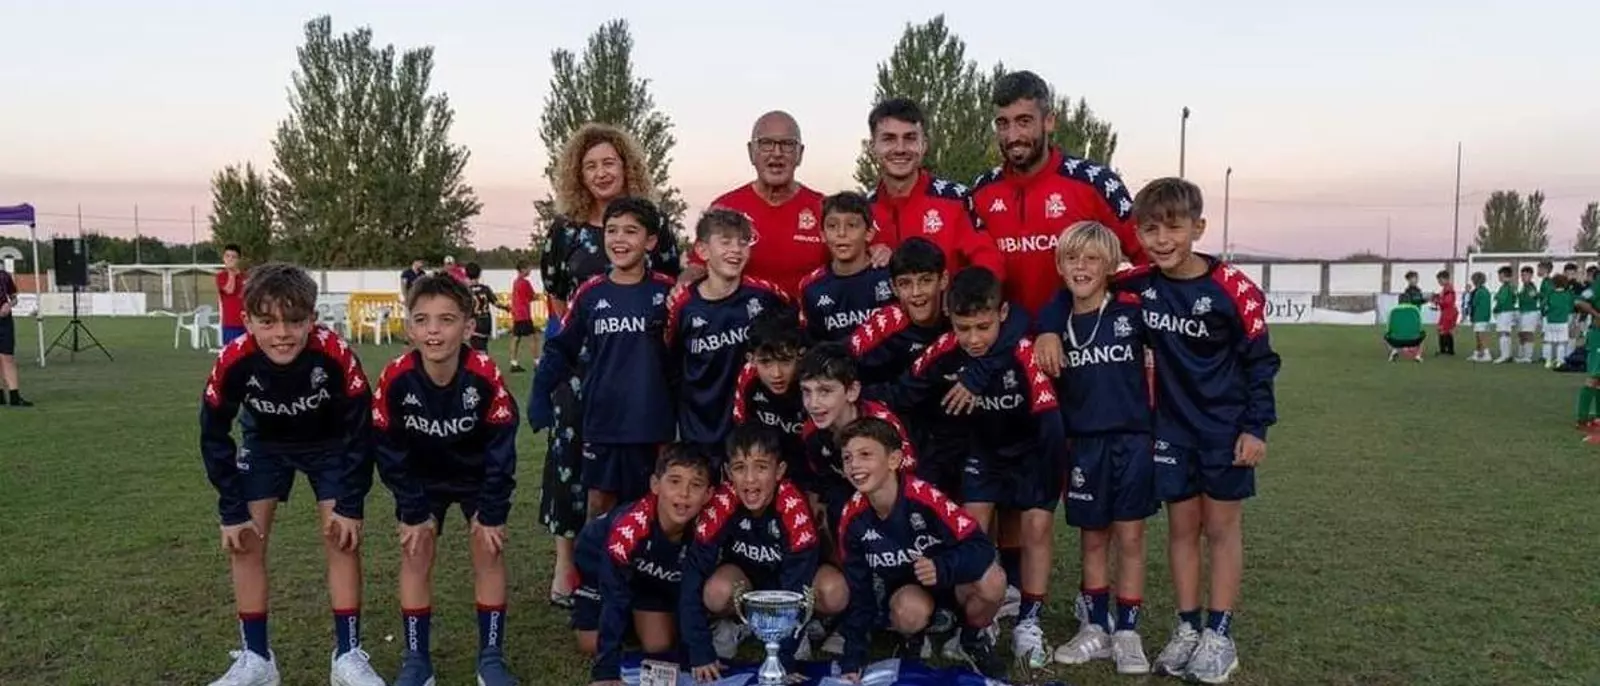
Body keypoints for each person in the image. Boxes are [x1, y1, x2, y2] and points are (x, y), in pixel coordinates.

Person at [1114, 178, 1281, 683]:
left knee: (1221, 530)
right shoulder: (1140, 285)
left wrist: (1256, 428)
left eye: (1174, 228)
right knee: (1182, 530)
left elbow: (1261, 363)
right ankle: (1188, 628)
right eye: (1150, 230)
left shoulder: (1236, 290)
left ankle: (1220, 636)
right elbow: (1088, 284)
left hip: (1225, 431)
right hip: (1171, 430)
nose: (1162, 240)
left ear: (1199, 227)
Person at [197, 263, 383, 686]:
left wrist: (351, 504)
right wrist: (231, 509)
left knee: (342, 538)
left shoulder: (335, 354)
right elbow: (213, 434)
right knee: (245, 541)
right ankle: (256, 658)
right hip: (265, 445)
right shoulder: (233, 360)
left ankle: (347, 655)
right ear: (247, 321)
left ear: (312, 319)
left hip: (329, 445)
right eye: (268, 322)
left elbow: (361, 430)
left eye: (294, 321)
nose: (282, 333)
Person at [537, 122, 682, 606]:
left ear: (627, 166)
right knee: (570, 463)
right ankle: (569, 564)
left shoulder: (655, 223)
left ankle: (637, 560)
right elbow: (558, 298)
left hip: (638, 368)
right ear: (578, 174)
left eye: (609, 163)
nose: (601, 173)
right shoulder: (565, 230)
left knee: (643, 467)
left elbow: (675, 287)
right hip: (581, 370)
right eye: (590, 166)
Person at [892, 266, 1065, 669]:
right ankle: (976, 618)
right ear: (950, 318)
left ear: (1002, 314)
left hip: (1031, 451)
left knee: (1036, 527)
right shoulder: (944, 349)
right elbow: (905, 390)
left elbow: (1050, 418)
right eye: (963, 328)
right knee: (971, 528)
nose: (973, 339)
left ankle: (1029, 621)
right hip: (982, 454)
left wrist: (1051, 476)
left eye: (983, 327)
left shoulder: (1022, 351)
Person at [373, 273, 521, 686]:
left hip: (476, 476)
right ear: (410, 327)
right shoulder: (396, 377)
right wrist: (412, 508)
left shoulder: (486, 375)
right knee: (416, 550)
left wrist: (492, 511)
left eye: (446, 320)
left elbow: (502, 449)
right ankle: (416, 660)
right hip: (422, 479)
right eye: (422, 320)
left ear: (469, 327)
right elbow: (387, 448)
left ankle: (491, 659)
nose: (433, 331)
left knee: (488, 549)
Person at [1032, 222, 1158, 674]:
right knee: (1092, 539)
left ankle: (1128, 632)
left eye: (1092, 259)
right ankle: (1097, 628)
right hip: (1083, 445)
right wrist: (1047, 327)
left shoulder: (1132, 311)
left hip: (1133, 440)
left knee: (1131, 537)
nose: (1081, 267)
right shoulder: (1055, 324)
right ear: (1059, 265)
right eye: (1072, 258)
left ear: (1110, 266)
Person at [530, 197, 677, 520]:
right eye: (612, 230)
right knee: (599, 504)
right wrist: (539, 395)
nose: (619, 239)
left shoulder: (668, 293)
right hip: (603, 422)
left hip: (652, 424)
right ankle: (597, 555)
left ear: (650, 241)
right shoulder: (590, 293)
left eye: (631, 231)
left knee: (653, 507)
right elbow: (560, 348)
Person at [834, 417, 1008, 681]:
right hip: (910, 591)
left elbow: (981, 548)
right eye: (847, 458)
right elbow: (860, 592)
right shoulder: (852, 518)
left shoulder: (925, 497)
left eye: (865, 454)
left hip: (955, 584)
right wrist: (852, 661)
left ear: (894, 460)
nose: (854, 465)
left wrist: (942, 567)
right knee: (908, 612)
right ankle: (913, 638)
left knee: (993, 580)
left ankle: (972, 638)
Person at [970, 70, 1145, 318]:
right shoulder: (982, 190)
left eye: (1024, 122)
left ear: (1049, 121)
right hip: (1007, 339)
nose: (1012, 136)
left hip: (1082, 337)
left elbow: (1146, 257)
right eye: (1003, 124)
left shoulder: (1095, 182)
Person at [679, 425, 847, 681]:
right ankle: (740, 625)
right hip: (748, 584)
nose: (750, 479)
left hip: (793, 583)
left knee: (834, 591)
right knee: (715, 592)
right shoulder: (722, 503)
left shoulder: (794, 507)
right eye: (739, 468)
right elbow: (693, 573)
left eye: (761, 467)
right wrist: (699, 651)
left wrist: (785, 658)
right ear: (728, 473)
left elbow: (797, 583)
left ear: (779, 471)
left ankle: (804, 627)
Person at [571, 446, 713, 686]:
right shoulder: (628, 531)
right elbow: (614, 596)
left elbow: (690, 590)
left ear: (708, 494)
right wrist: (607, 672)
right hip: (597, 560)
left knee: (658, 644)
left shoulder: (705, 528)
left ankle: (635, 617)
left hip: (647, 578)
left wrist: (699, 653)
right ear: (655, 485)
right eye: (674, 481)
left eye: (696, 485)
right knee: (589, 642)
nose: (684, 493)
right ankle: (615, 618)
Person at [666, 209, 792, 469]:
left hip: (755, 429)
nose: (736, 250)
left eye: (743, 242)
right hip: (700, 429)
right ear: (702, 250)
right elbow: (671, 361)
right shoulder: (683, 305)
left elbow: (795, 341)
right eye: (725, 242)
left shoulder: (766, 296)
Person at [864, 97, 1004, 278]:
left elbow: (990, 266)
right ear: (873, 147)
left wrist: (958, 295)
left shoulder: (956, 200)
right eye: (889, 139)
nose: (900, 149)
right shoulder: (861, 212)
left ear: (924, 145)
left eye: (910, 138)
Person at [796, 342, 918, 548]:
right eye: (807, 392)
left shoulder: (884, 425)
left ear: (852, 391)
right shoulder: (811, 432)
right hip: (848, 499)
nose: (813, 403)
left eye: (825, 391)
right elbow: (825, 478)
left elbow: (909, 479)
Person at [697, 111, 829, 296]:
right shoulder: (725, 207)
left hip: (808, 314)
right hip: (742, 314)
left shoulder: (825, 209)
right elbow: (697, 266)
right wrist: (683, 286)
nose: (777, 153)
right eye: (766, 143)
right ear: (751, 151)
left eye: (787, 144)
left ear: (800, 153)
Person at [798, 192, 895, 344]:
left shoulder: (889, 276)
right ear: (822, 234)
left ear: (869, 233)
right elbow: (813, 346)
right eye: (832, 226)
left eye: (852, 225)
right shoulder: (811, 288)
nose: (841, 233)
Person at [731, 306, 810, 472]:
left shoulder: (814, 379)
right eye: (766, 362)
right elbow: (744, 437)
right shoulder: (748, 377)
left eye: (786, 361)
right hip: (770, 469)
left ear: (801, 355)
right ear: (751, 359)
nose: (777, 374)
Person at [0, 264, 29, 407]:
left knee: (8, 357)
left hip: (4, 321)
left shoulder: (4, 275)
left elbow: (14, 298)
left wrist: (9, 305)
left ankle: (14, 396)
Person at [464, 262, 508, 352]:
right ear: (479, 274)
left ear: (466, 275)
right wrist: (506, 308)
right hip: (486, 322)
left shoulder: (466, 291)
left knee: (477, 350)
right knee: (482, 347)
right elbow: (497, 304)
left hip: (475, 323)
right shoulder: (485, 289)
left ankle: (482, 360)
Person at [507, 260, 537, 372]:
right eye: (528, 268)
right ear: (523, 269)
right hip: (524, 314)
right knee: (533, 338)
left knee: (516, 338)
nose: (530, 271)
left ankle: (513, 363)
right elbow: (532, 296)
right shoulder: (525, 283)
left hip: (517, 314)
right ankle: (537, 362)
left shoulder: (515, 282)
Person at [217, 244, 247, 345]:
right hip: (230, 325)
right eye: (227, 256)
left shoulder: (246, 277)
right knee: (232, 353)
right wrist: (231, 272)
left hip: (247, 324)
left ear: (238, 260)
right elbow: (230, 290)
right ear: (223, 258)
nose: (230, 259)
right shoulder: (221, 276)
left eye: (233, 257)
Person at [1544, 273, 1576, 369]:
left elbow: (1544, 306)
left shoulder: (1550, 294)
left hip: (1551, 320)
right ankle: (1560, 361)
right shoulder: (1568, 294)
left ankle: (1548, 361)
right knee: (1561, 342)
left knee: (1549, 341)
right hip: (1563, 320)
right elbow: (1571, 307)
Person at [1491, 266, 1517, 363]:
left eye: (1500, 275)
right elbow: (1513, 299)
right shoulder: (1510, 286)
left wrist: (1496, 309)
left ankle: (1504, 355)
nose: (1499, 277)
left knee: (1503, 333)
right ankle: (1508, 355)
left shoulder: (1506, 287)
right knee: (1506, 333)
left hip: (1504, 312)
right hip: (1508, 311)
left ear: (1503, 275)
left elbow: (1502, 300)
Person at [1514, 265, 1540, 363]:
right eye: (1522, 275)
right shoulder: (1524, 287)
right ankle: (1521, 355)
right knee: (1522, 334)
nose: (1523, 277)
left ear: (1531, 276)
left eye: (1525, 275)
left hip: (1530, 312)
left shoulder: (1531, 287)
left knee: (1528, 333)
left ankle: (1528, 356)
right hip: (1523, 312)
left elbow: (1534, 298)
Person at [1467, 272, 1493, 362]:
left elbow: (1473, 304)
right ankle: (1478, 353)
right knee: (1479, 335)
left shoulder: (1479, 292)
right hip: (1485, 316)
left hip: (1479, 316)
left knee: (1481, 336)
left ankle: (1486, 354)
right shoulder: (1486, 291)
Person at [1432, 270, 1457, 356]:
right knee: (1443, 330)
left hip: (1448, 312)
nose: (1439, 282)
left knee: (1444, 330)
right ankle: (1446, 350)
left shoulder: (1448, 289)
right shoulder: (1446, 288)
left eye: (1440, 280)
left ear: (1446, 279)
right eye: (1438, 280)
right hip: (1446, 312)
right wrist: (1438, 298)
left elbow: (1447, 302)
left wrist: (1437, 300)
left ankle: (1448, 350)